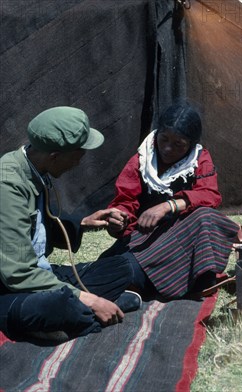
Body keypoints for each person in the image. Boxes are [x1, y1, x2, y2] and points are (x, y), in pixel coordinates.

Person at [0, 107, 141, 343]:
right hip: (9, 287)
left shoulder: (36, 169)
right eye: (79, 153)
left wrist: (84, 224)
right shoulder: (7, 185)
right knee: (58, 306)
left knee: (122, 267)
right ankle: (77, 313)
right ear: (55, 155)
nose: (79, 161)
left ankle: (67, 319)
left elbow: (36, 228)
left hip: (39, 275)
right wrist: (91, 300)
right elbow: (17, 274)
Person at [99, 101, 239, 300]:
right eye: (163, 139)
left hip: (183, 238)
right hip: (145, 238)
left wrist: (167, 206)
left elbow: (210, 195)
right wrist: (118, 220)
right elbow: (125, 200)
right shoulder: (142, 161)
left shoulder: (200, 160)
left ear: (190, 144)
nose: (167, 149)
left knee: (206, 216)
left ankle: (165, 281)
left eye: (178, 145)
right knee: (110, 269)